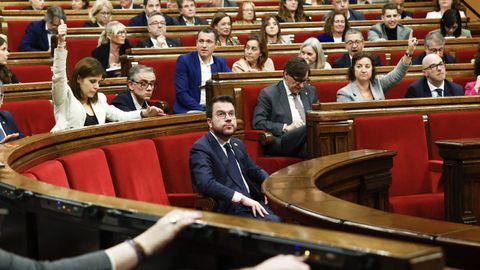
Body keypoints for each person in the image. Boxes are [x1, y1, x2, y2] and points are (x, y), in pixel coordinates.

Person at [52, 20, 164, 131]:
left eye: (99, 82)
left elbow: (120, 116)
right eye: (92, 81)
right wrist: (61, 44)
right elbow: (59, 76)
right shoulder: (64, 98)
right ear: (78, 78)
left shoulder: (100, 99)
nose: (97, 86)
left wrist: (144, 113)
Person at [190, 95, 281, 222]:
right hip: (229, 209)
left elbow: (254, 170)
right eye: (221, 114)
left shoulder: (237, 143)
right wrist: (241, 198)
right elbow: (206, 183)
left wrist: (267, 186)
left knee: (291, 213)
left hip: (252, 202)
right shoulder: (201, 148)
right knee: (277, 224)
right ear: (210, 122)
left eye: (231, 114)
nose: (228, 119)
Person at [253, 57, 318, 159]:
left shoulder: (310, 91)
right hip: (282, 140)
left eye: (304, 81)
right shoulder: (269, 94)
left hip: (307, 141)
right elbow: (258, 122)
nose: (301, 86)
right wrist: (285, 127)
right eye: (298, 81)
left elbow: (318, 115)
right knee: (310, 127)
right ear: (286, 75)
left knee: (310, 143)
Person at [337, 33, 417, 102]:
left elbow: (398, 73)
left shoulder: (378, 84)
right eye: (359, 66)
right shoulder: (344, 93)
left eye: (367, 66)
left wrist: (409, 52)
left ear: (372, 69)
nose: (363, 70)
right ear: (353, 69)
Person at [173, 27, 231, 114]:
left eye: (209, 42)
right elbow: (182, 93)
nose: (204, 45)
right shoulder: (184, 60)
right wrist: (204, 110)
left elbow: (230, 85)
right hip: (190, 109)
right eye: (201, 41)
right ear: (196, 43)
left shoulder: (220, 62)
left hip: (214, 110)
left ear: (216, 45)